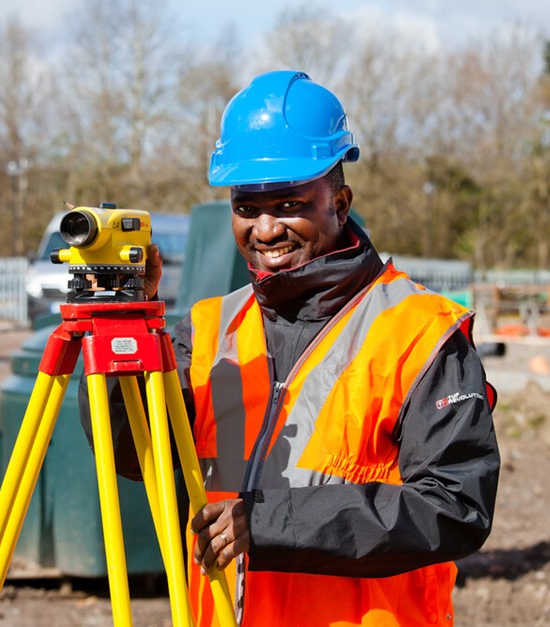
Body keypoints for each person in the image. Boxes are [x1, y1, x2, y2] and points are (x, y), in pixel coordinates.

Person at [80, 70, 500, 626]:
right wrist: (126, 324)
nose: (266, 229)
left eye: (289, 204)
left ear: (341, 202)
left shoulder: (423, 334)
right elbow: (133, 457)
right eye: (247, 207)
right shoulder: (206, 331)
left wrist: (268, 522)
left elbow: (455, 506)